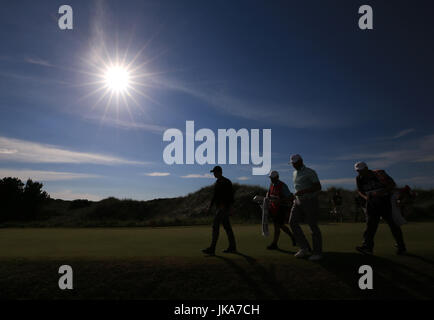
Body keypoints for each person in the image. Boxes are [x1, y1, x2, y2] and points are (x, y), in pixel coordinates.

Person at [354, 162, 407, 255]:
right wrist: (366, 198)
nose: (359, 173)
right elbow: (360, 191)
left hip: (385, 202)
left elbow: (392, 184)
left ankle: (401, 246)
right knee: (370, 226)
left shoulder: (378, 173)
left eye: (361, 170)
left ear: (366, 168)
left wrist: (381, 192)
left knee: (393, 224)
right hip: (371, 203)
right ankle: (367, 247)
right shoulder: (359, 178)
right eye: (358, 171)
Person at [288, 154, 323, 261]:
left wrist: (304, 191)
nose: (294, 165)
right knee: (292, 222)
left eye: (296, 163)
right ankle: (304, 247)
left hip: (310, 200)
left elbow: (318, 187)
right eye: (293, 163)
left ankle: (317, 252)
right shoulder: (294, 173)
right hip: (298, 200)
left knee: (312, 225)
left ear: (301, 161)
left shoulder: (310, 172)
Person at [202, 166, 237, 255]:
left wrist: (230, 207)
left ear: (219, 172)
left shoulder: (226, 182)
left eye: (215, 172)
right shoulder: (217, 182)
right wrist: (210, 206)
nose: (214, 174)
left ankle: (212, 249)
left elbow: (230, 196)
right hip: (220, 208)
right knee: (227, 227)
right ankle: (232, 247)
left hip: (224, 208)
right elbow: (215, 196)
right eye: (213, 172)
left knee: (215, 225)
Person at [265, 170, 297, 250]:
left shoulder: (282, 185)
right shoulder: (271, 185)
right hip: (273, 208)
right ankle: (292, 237)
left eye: (273, 178)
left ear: (277, 177)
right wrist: (267, 199)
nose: (272, 179)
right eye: (271, 178)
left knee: (278, 226)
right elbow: (268, 194)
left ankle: (274, 244)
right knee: (280, 226)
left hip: (281, 208)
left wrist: (280, 200)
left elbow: (289, 197)